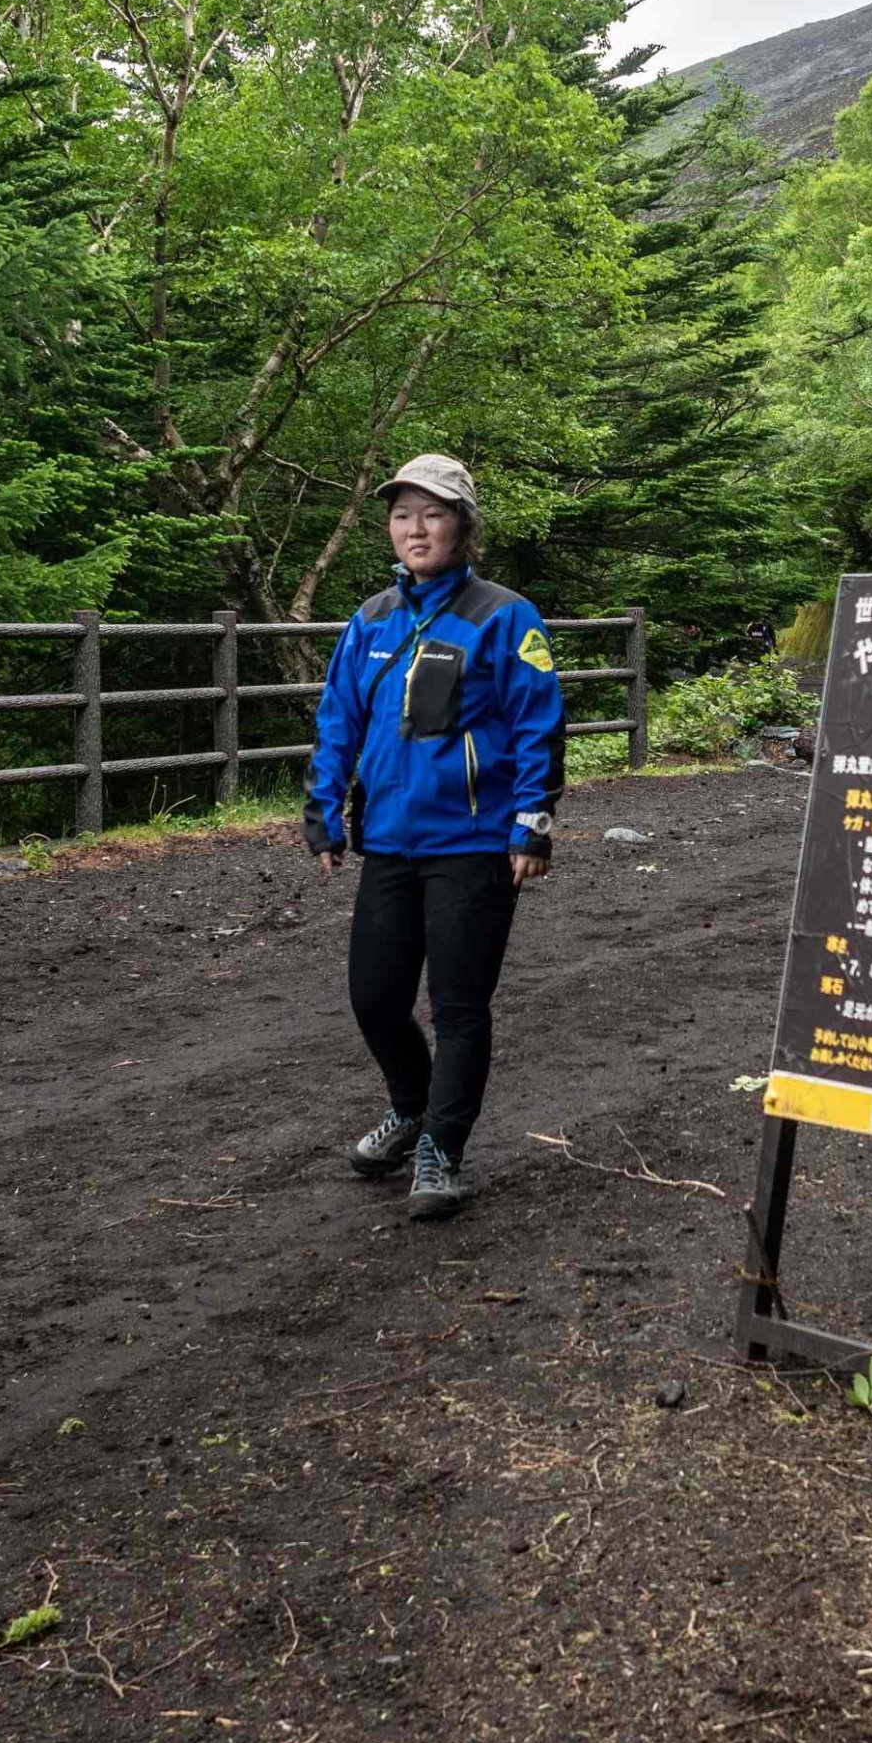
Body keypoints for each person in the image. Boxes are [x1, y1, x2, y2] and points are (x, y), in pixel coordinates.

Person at [305, 453, 568, 1222]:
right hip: (388, 841)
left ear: (463, 525)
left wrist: (532, 824)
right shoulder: (373, 618)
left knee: (457, 1005)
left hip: (475, 844)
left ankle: (441, 1150)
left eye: (433, 513)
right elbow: (337, 720)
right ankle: (411, 1107)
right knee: (374, 1000)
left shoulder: (503, 615)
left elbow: (538, 726)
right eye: (402, 514)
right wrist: (322, 808)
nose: (416, 528)